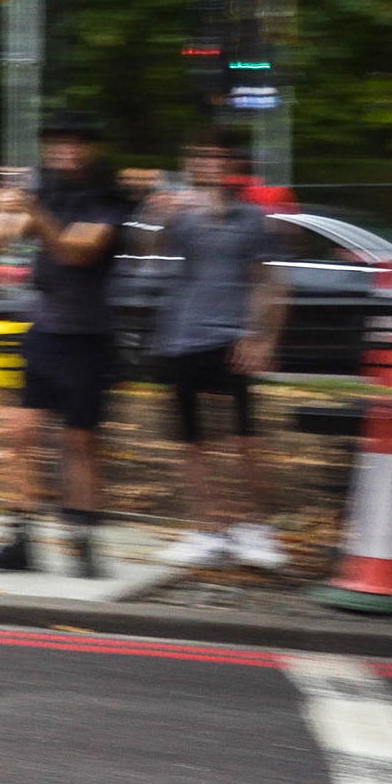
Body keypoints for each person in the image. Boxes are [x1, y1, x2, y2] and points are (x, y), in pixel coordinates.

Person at [0, 118, 130, 577]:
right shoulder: (46, 193)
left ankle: (81, 541)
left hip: (89, 335)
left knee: (78, 442)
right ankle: (21, 539)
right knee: (18, 433)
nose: (68, 151)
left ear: (91, 150)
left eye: (77, 143)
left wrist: (31, 208)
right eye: (59, 143)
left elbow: (75, 250)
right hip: (45, 331)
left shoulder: (106, 198)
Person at [141, 126, 288, 570]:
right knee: (191, 442)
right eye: (203, 156)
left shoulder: (252, 219)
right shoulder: (182, 216)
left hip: (232, 340)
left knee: (244, 440)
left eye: (220, 158)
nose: (211, 164)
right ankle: (206, 529)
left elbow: (272, 284)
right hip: (183, 337)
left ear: (233, 168)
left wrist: (260, 336)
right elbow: (149, 255)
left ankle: (255, 528)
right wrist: (157, 214)